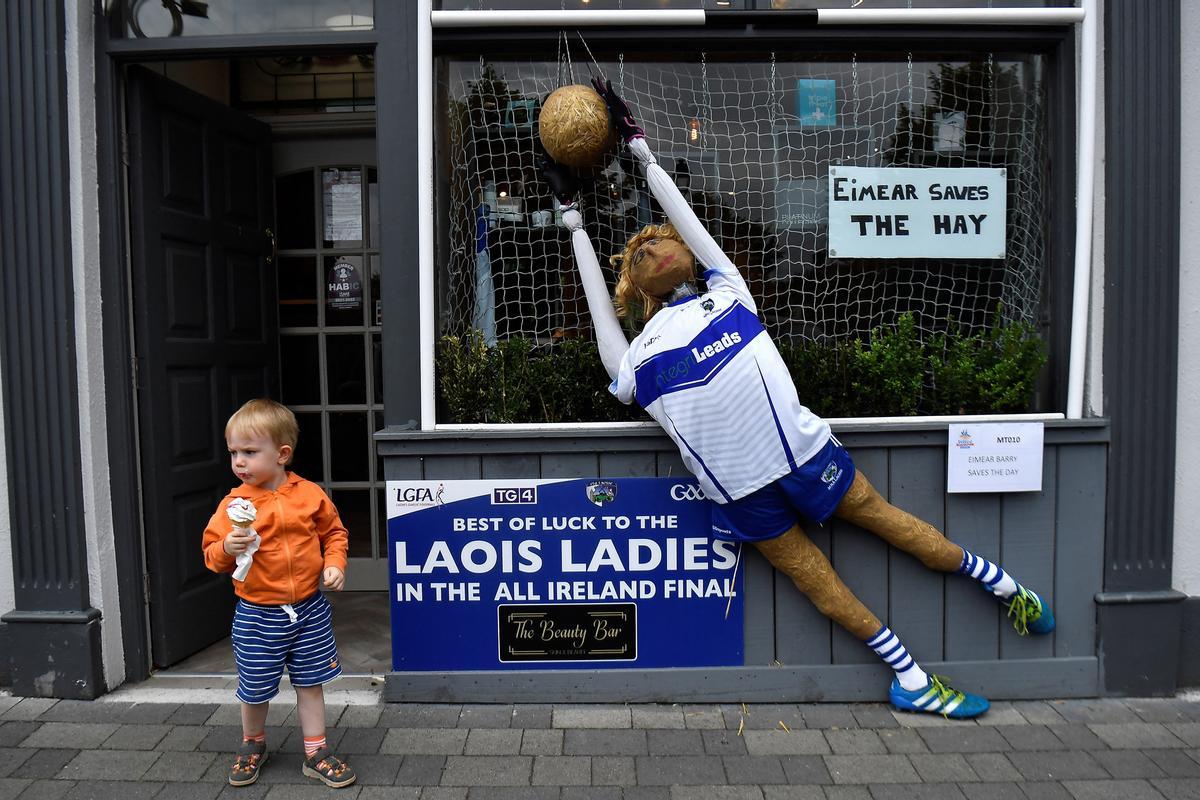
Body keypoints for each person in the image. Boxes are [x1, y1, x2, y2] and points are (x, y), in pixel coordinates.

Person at [539, 79, 1055, 719]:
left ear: (688, 257)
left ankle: (1004, 587)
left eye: (657, 237)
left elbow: (691, 222)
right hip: (743, 496)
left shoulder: (727, 291)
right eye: (637, 251)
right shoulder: (637, 363)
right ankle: (912, 678)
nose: (649, 244)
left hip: (807, 454)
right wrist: (573, 222)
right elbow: (600, 324)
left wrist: (643, 152)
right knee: (820, 583)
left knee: (892, 523)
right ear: (638, 288)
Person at [202, 399, 355, 787]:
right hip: (257, 612)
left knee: (311, 681)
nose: (239, 461)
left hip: (308, 608)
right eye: (234, 452)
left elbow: (333, 533)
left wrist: (334, 563)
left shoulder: (309, 496)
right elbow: (211, 555)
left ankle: (316, 751)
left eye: (250, 452)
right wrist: (227, 548)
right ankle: (252, 743)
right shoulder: (234, 505)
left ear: (282, 454)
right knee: (254, 687)